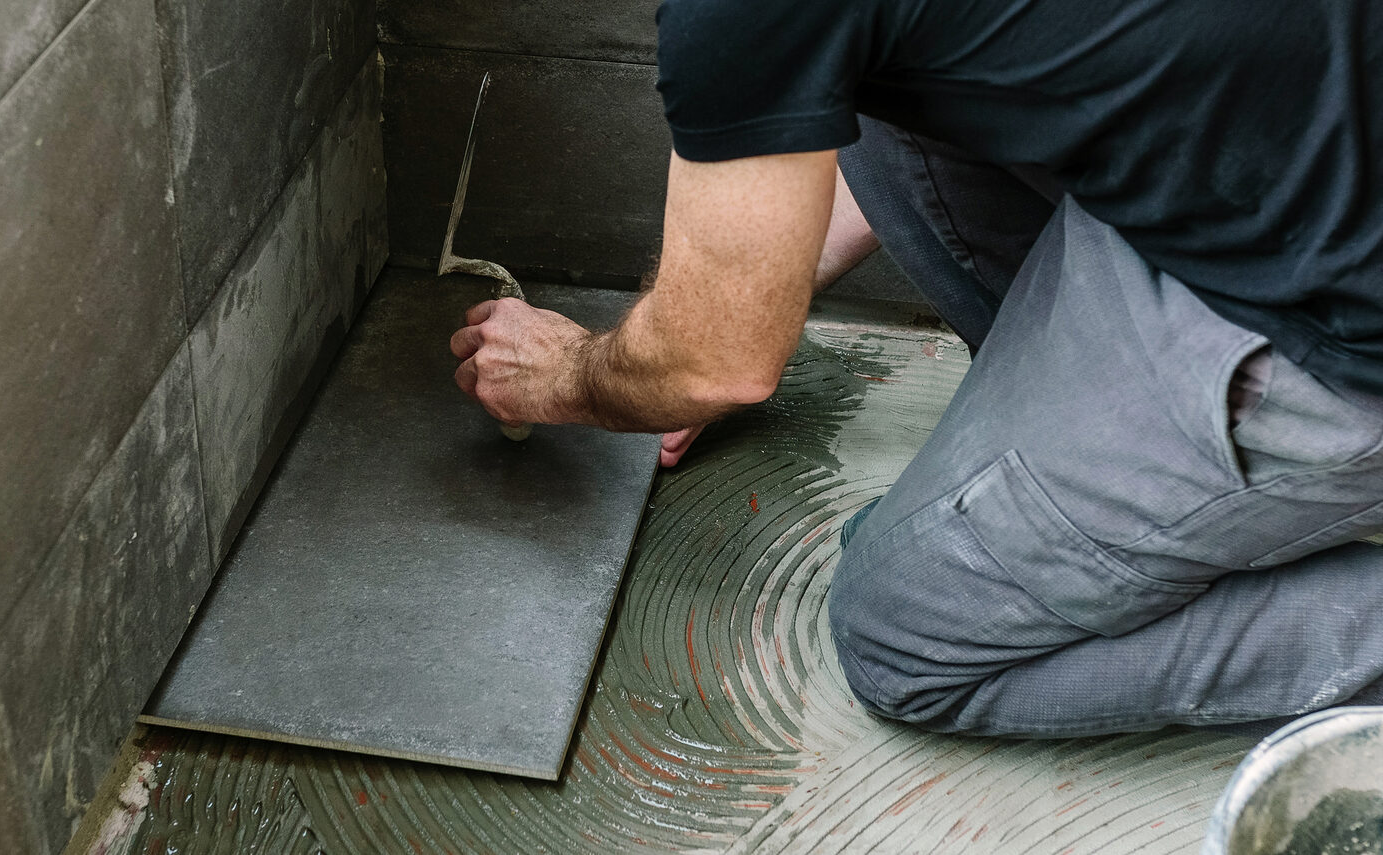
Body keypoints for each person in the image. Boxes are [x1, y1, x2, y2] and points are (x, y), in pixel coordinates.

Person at [449, 0, 1383, 736]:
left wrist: (585, 372)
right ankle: (1073, 489)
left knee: (900, 633)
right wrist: (726, 317)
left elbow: (715, 365)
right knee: (881, 90)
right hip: (1287, 150)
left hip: (1325, 331)